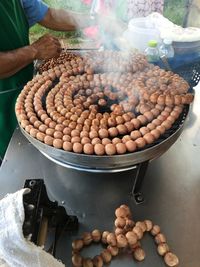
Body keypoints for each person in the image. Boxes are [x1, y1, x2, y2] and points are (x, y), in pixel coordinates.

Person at [0, 0, 93, 161]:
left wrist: (96, 20)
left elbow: (50, 15)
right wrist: (34, 50)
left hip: (22, 88)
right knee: (9, 159)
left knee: (25, 150)